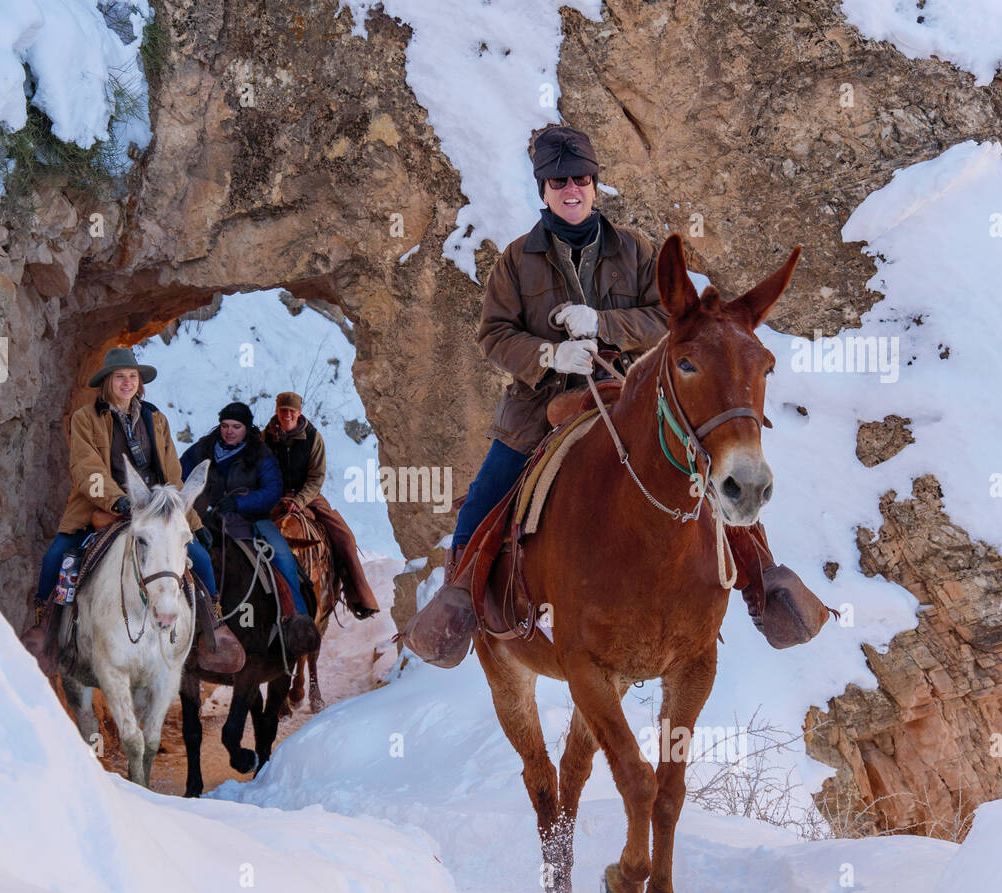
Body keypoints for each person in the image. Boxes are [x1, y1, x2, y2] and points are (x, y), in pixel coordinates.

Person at [405, 125, 826, 662]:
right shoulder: (516, 260)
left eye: (581, 178)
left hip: (631, 389)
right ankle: (459, 603)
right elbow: (493, 334)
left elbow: (672, 323)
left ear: (595, 184)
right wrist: (548, 355)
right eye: (558, 181)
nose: (571, 189)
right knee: (487, 495)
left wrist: (603, 324)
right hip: (540, 405)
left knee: (709, 470)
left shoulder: (636, 249)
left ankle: (764, 580)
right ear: (543, 189)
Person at [19, 348, 243, 675]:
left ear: (140, 383)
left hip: (155, 511)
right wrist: (117, 499)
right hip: (104, 507)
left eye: (132, 377)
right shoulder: (85, 418)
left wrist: (191, 522)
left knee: (203, 560)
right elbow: (86, 469)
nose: (127, 382)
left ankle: (214, 630)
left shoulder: (156, 419)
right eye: (120, 376)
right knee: (59, 556)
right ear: (107, 382)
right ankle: (47, 629)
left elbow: (172, 477)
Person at [181, 401, 319, 635]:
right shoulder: (203, 448)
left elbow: (272, 491)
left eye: (236, 426)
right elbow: (180, 474)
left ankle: (298, 618)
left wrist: (239, 503)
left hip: (250, 519)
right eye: (225, 425)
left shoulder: (259, 453)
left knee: (281, 554)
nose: (229, 431)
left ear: (246, 428)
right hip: (202, 518)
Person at [262, 391, 380, 620]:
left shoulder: (313, 438)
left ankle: (359, 598)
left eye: (291, 411)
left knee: (344, 537)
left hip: (307, 496)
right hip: (274, 497)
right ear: (277, 411)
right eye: (283, 410)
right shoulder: (265, 437)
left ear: (299, 412)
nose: (287, 415)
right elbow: (260, 470)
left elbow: (316, 477)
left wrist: (299, 500)